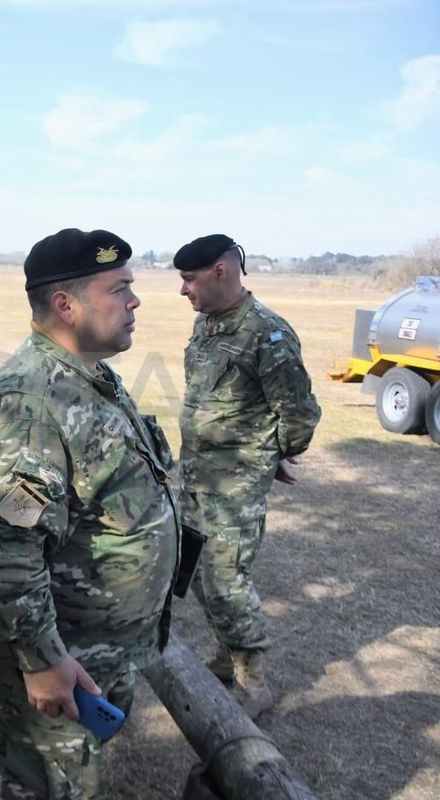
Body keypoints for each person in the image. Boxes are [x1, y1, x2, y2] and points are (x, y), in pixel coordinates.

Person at [0, 228, 179, 799]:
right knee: (49, 786)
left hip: (97, 648)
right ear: (66, 304)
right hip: (58, 650)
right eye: (119, 289)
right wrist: (42, 660)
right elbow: (2, 552)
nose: (135, 301)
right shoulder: (30, 403)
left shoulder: (89, 377)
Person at [175, 233, 321, 718]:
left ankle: (252, 681)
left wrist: (269, 452)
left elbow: (298, 414)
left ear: (221, 272)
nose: (183, 290)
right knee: (196, 573)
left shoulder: (267, 332)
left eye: (189, 279)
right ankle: (225, 655)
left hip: (235, 485)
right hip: (197, 477)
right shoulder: (208, 326)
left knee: (225, 579)